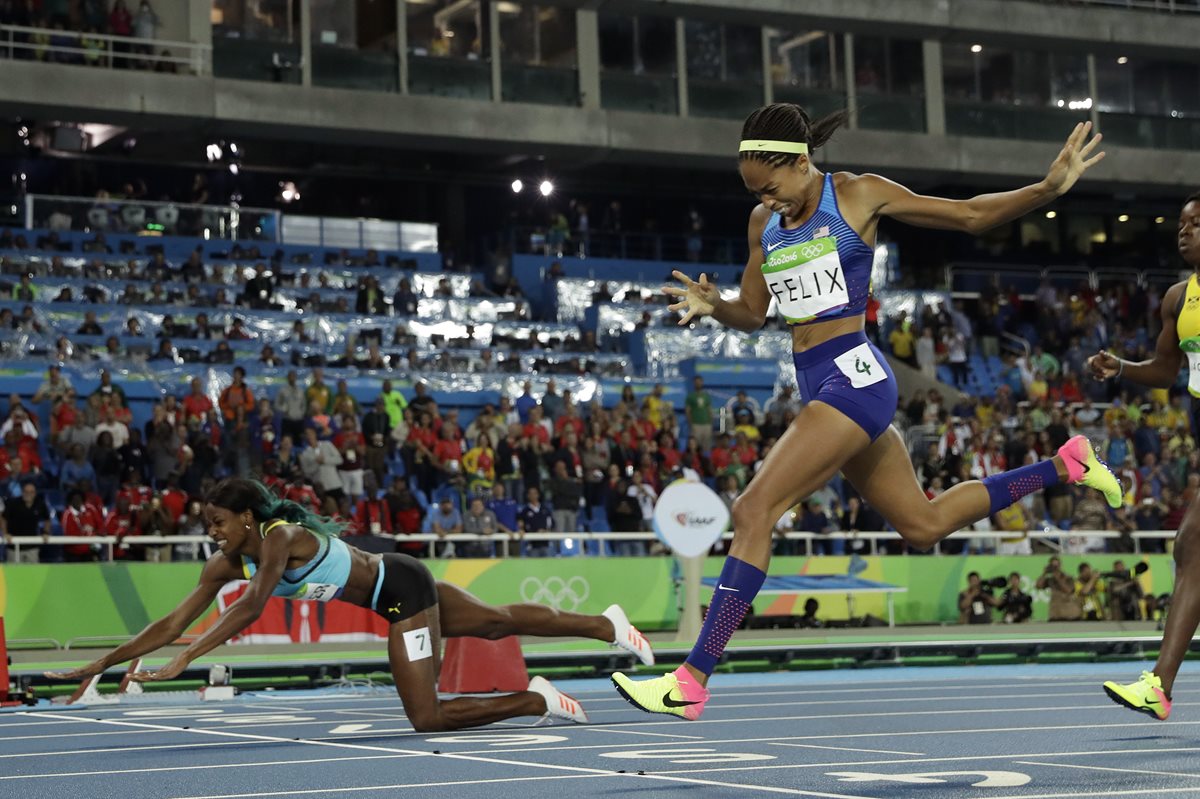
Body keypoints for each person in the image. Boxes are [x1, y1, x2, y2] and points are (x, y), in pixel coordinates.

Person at [612, 103, 1119, 720]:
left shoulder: (856, 196)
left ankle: (691, 679)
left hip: (854, 378)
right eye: (754, 193)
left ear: (800, 162)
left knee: (752, 510)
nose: (767, 201)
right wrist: (714, 304)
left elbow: (968, 216)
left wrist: (1046, 188)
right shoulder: (762, 223)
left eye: (771, 187)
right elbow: (754, 312)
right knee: (923, 526)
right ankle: (1065, 465)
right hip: (818, 383)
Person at [45, 478, 654, 730]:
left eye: (219, 522)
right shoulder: (227, 561)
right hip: (400, 585)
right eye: (208, 524)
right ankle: (605, 624)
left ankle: (535, 698)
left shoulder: (278, 537)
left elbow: (253, 608)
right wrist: (99, 665)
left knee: (427, 718)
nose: (212, 533)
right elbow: (170, 622)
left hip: (403, 592)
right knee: (494, 622)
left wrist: (188, 659)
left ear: (249, 518)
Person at [1096, 191, 1200, 720]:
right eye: (1181, 224)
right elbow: (1165, 370)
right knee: (1191, 552)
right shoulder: (1179, 299)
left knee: (1192, 547)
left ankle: (1160, 685)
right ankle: (1159, 686)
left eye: (1197, 223)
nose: (1185, 232)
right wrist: (1121, 368)